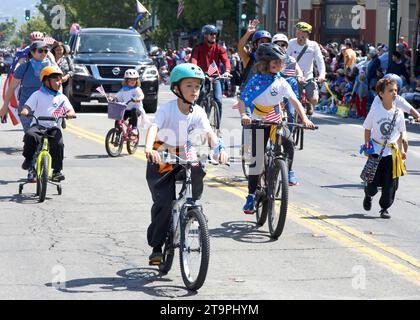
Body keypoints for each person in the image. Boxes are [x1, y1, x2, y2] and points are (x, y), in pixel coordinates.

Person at [143, 63, 228, 264]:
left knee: (197, 168)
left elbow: (209, 134)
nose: (194, 90)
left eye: (197, 86)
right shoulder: (168, 109)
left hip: (183, 152)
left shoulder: (198, 111)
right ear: (177, 88)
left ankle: (192, 208)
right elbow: (154, 128)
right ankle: (157, 246)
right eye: (189, 85)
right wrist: (149, 149)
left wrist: (219, 149)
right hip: (162, 154)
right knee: (163, 204)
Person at [238, 43, 315, 213]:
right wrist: (244, 115)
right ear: (265, 63)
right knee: (257, 160)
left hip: (276, 119)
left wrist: (305, 118)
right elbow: (243, 100)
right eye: (274, 62)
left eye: (280, 62)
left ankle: (285, 170)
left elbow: (294, 101)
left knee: (288, 142)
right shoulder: (256, 80)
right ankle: (251, 195)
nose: (278, 65)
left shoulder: (282, 82)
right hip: (258, 119)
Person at [20, 66, 76, 182]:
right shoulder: (37, 94)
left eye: (60, 79)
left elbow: (70, 110)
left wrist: (70, 113)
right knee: (30, 135)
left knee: (58, 144)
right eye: (55, 79)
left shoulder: (61, 97)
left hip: (53, 127)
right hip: (38, 126)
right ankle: (29, 160)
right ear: (46, 81)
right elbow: (27, 106)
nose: (59, 82)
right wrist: (25, 111)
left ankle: (57, 171)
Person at [362, 77, 407, 219]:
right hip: (376, 151)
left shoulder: (398, 113)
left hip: (392, 153)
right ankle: (368, 194)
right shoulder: (375, 110)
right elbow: (367, 129)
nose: (394, 93)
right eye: (390, 90)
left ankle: (384, 208)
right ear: (381, 94)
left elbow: (400, 132)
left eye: (396, 90)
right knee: (372, 182)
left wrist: (402, 150)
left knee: (390, 184)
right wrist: (368, 146)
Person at [0, 41, 53, 132]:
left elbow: (58, 87)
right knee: (31, 135)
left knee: (48, 137)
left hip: (46, 106)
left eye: (46, 51)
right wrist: (5, 106)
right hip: (27, 107)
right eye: (40, 51)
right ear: (32, 52)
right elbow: (12, 87)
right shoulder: (24, 67)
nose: (43, 53)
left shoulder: (52, 67)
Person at [192, 24, 231, 122]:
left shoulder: (219, 48)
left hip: (215, 76)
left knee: (218, 100)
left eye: (215, 34)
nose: (214, 36)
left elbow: (226, 60)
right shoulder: (199, 48)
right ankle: (195, 117)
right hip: (201, 75)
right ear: (205, 35)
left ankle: (217, 127)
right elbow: (194, 60)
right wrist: (196, 70)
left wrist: (227, 71)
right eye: (211, 34)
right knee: (201, 93)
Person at [287, 22, 326, 116]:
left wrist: (322, 75)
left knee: (314, 100)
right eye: (297, 31)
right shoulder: (291, 43)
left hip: (308, 76)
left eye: (301, 32)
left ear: (307, 34)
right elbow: (286, 59)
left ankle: (309, 103)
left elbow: (320, 61)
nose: (298, 34)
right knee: (294, 100)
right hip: (294, 77)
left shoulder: (313, 45)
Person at [237, 19, 272, 91]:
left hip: (266, 93)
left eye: (267, 42)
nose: (264, 44)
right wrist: (248, 33)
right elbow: (240, 47)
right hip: (249, 93)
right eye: (262, 42)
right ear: (255, 44)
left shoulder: (272, 58)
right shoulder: (250, 57)